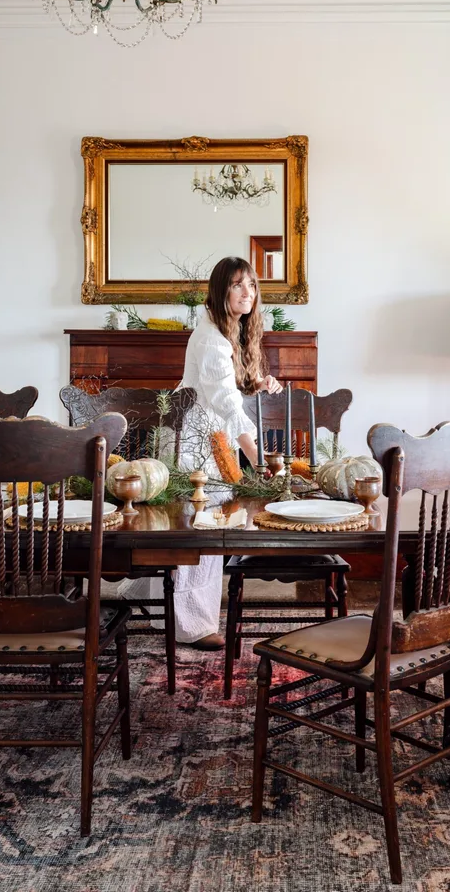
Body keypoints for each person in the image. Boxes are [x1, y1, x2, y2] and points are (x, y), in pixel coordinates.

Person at [171, 256, 282, 650]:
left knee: (205, 530)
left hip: (210, 440)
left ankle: (174, 612)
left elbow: (229, 389)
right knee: (203, 533)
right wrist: (261, 459)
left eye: (251, 285)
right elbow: (227, 407)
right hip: (199, 447)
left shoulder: (222, 332)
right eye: (237, 285)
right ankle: (192, 626)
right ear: (221, 290)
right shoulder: (213, 340)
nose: (247, 293)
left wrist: (258, 382)